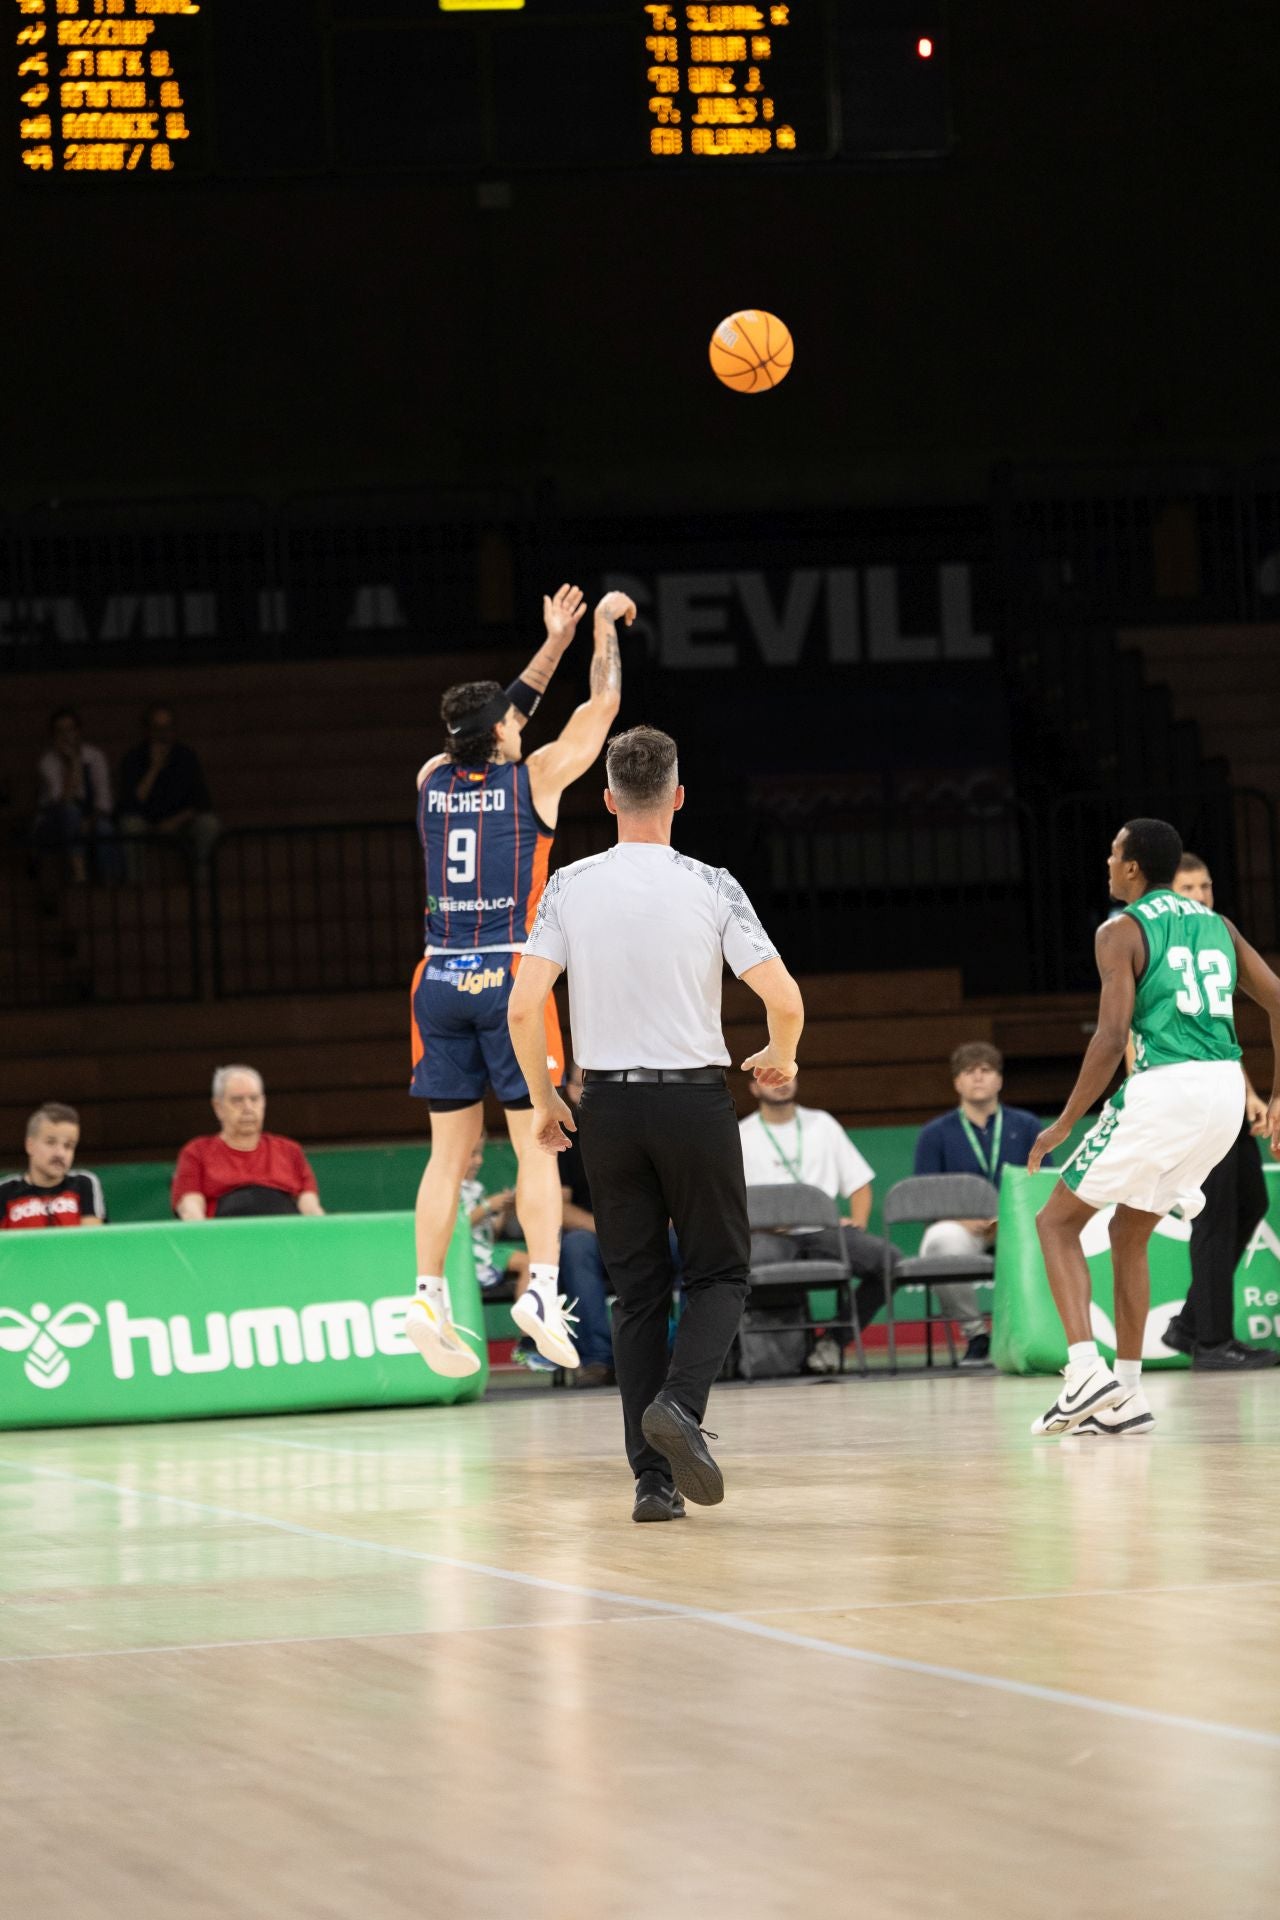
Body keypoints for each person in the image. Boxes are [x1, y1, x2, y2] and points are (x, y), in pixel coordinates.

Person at [508, 724, 804, 1523]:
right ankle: (680, 1404)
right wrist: (778, 1055)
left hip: (605, 1105)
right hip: (693, 1102)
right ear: (677, 797)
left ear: (606, 800)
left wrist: (544, 1102)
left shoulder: (569, 885)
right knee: (719, 1273)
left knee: (636, 1293)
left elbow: (523, 1006)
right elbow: (785, 999)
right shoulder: (712, 885)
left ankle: (652, 1484)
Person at [404, 583, 626, 1382]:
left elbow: (498, 713)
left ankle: (428, 1294)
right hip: (509, 977)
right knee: (539, 1141)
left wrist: (549, 644)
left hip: (436, 977)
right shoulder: (532, 781)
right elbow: (601, 707)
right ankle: (543, 1286)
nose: (520, 716)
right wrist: (596, 631)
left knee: (446, 1157)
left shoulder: (431, 777)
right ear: (502, 733)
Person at [1027, 818, 1280, 1440]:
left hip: (1168, 1086)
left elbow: (1112, 1038)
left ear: (1133, 867)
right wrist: (1277, 1093)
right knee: (1129, 1229)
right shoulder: (1218, 925)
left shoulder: (1120, 930)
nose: (1108, 863)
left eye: (1113, 854)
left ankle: (1086, 1372)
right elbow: (1277, 999)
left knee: (1055, 1223)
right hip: (1223, 1092)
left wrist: (1062, 1123)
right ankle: (1128, 1395)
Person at [1156, 853, 1278, 1370]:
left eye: (1206, 885)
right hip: (1185, 1097)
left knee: (1250, 1202)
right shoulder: (1152, 942)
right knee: (1214, 1216)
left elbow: (1215, 1032)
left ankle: (1189, 1324)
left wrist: (1250, 1091)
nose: (1202, 895)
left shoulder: (1217, 938)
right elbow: (1144, 1035)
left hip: (1221, 1083)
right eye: (1190, 887)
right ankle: (1210, 1342)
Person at [738, 1072, 903, 1372]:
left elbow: (860, 1184)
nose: (780, 1082)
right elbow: (731, 1199)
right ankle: (775, 1357)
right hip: (766, 1234)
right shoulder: (741, 1134)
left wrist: (858, 1221)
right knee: (759, 1261)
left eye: (786, 1075)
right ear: (753, 1087)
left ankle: (832, 1342)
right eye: (769, 1078)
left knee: (888, 1261)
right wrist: (759, 1223)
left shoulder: (822, 1124)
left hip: (823, 1231)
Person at [913, 1042, 1050, 1365]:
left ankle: (1031, 1334)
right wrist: (963, 1221)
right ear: (956, 1082)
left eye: (986, 1070)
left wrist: (1009, 1220)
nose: (978, 1078)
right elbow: (925, 1196)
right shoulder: (934, 1134)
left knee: (1055, 1241)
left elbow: (1043, 1183)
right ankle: (976, 1335)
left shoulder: (1027, 1126)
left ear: (999, 1080)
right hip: (964, 1227)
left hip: (1017, 1225)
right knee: (939, 1243)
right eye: (968, 1072)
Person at [172, 1065, 325, 1219]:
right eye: (237, 1100)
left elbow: (311, 1207)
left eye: (254, 1099)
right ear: (218, 1107)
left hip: (285, 1239)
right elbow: (190, 1208)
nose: (248, 1108)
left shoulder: (290, 1151)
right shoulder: (196, 1152)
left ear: (263, 1102)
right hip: (226, 1239)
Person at [117, 703, 220, 869]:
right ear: (147, 731)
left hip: (180, 822)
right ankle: (136, 886)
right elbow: (131, 804)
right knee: (130, 825)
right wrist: (154, 768)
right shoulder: (134, 758)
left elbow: (202, 801)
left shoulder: (186, 756)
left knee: (209, 824)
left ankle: (202, 884)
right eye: (157, 728)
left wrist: (174, 822)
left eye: (167, 728)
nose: (163, 734)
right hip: (146, 822)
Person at [32, 708, 118, 886]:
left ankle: (109, 883)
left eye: (70, 729)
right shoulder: (48, 762)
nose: (66, 736)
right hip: (53, 822)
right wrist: (72, 764)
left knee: (104, 828)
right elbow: (62, 800)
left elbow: (104, 802)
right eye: (60, 731)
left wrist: (90, 821)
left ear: (78, 731)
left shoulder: (94, 756)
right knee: (70, 812)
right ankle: (79, 874)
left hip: (88, 817)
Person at [0, 1103, 106, 1229]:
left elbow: (92, 1242)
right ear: (30, 1145)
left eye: (68, 1146)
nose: (60, 1153)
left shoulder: (84, 1183)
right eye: (50, 1142)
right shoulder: (4, 1191)